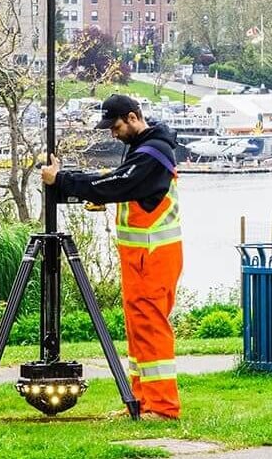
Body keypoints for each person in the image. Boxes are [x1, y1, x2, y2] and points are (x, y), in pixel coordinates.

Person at [41, 94, 183, 419]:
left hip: (153, 256)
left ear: (133, 118)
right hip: (140, 256)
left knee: (151, 326)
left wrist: (63, 180)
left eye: (115, 126)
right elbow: (123, 185)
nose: (112, 134)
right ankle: (141, 401)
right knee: (138, 327)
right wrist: (75, 186)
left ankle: (163, 406)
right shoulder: (143, 149)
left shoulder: (152, 153)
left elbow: (119, 183)